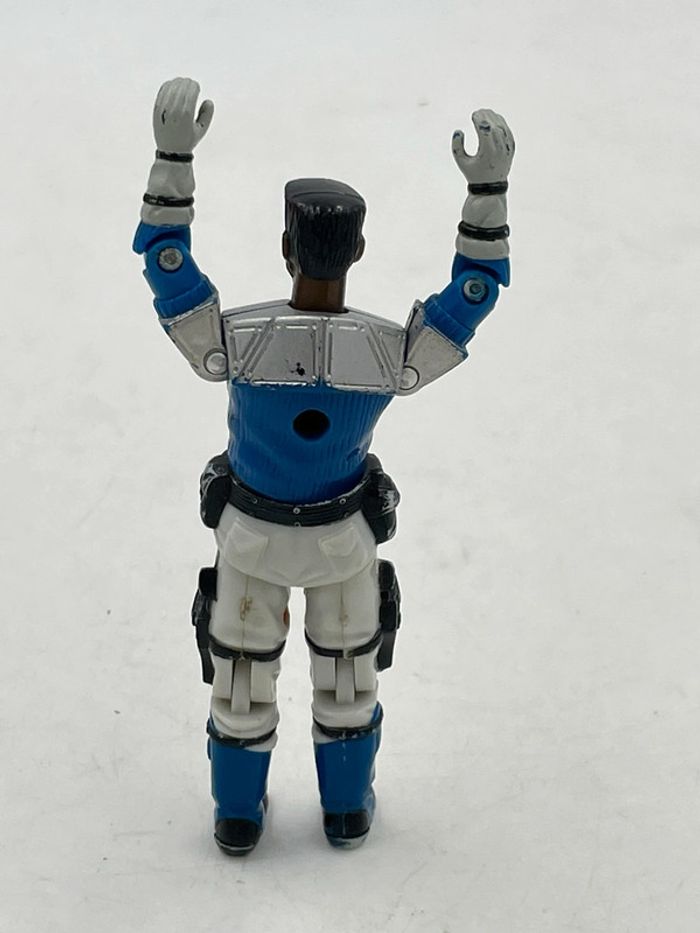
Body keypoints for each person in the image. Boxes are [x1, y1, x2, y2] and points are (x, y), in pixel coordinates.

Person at [134, 77, 514, 855]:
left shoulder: (240, 342)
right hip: (342, 542)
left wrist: (172, 165)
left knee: (241, 683)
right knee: (348, 681)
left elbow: (170, 274)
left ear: (285, 248)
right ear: (360, 250)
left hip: (253, 540)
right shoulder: (384, 354)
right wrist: (487, 197)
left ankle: (237, 814)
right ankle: (345, 809)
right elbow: (471, 297)